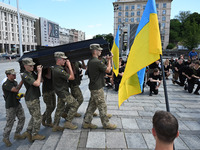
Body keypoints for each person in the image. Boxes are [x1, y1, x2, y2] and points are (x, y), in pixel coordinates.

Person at [82, 43, 116, 130]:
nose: (101, 51)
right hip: (97, 87)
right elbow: (108, 70)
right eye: (99, 50)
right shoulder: (96, 62)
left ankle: (86, 122)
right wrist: (109, 60)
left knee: (92, 105)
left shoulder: (91, 61)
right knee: (102, 106)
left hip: (94, 86)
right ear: (95, 51)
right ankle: (106, 124)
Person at [52, 52, 79, 131]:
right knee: (75, 104)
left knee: (59, 108)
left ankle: (55, 125)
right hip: (63, 92)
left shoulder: (56, 68)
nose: (65, 61)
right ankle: (68, 122)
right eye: (63, 59)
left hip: (60, 91)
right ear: (59, 60)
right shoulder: (58, 70)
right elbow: (72, 77)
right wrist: (69, 66)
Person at [21, 58, 45, 142]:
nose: (32, 66)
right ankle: (35, 134)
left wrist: (38, 73)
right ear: (25, 66)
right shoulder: (25, 74)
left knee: (34, 116)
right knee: (38, 117)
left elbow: (41, 80)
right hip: (31, 99)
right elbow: (37, 84)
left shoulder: (32, 73)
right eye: (30, 65)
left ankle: (28, 131)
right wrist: (39, 72)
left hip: (34, 97)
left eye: (33, 65)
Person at [2, 69, 25, 147]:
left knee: (22, 118)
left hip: (17, 103)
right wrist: (22, 81)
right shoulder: (6, 84)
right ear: (8, 75)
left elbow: (16, 92)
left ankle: (17, 133)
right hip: (10, 106)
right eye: (13, 75)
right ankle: (5, 138)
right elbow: (15, 90)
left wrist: (19, 96)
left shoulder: (14, 82)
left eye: (15, 74)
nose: (15, 76)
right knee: (10, 123)